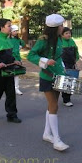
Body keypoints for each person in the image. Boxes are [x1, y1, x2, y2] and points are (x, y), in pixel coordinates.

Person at [27, 14, 69, 151]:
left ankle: (47, 133)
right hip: (47, 76)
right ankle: (56, 140)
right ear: (55, 27)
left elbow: (58, 56)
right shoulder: (43, 40)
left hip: (58, 75)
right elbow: (31, 55)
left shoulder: (59, 39)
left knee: (52, 106)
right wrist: (45, 61)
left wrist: (63, 68)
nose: (62, 27)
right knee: (54, 106)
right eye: (61, 25)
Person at [61, 27, 80, 107]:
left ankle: (68, 98)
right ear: (62, 35)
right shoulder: (60, 42)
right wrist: (62, 65)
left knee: (72, 81)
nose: (69, 35)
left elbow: (76, 51)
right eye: (66, 33)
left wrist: (76, 61)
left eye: (69, 33)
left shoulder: (72, 41)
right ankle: (66, 99)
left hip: (72, 64)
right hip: (64, 65)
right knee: (65, 82)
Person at [8, 25, 25, 95]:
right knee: (9, 74)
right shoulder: (8, 39)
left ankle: (16, 88)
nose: (16, 32)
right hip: (10, 58)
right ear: (11, 32)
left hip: (17, 58)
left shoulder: (18, 39)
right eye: (14, 31)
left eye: (16, 31)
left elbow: (23, 43)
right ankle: (8, 88)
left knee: (16, 74)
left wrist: (20, 46)